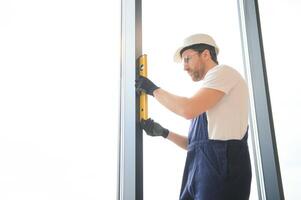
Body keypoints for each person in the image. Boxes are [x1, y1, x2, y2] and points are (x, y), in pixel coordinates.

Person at [136, 33, 252, 200]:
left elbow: (187, 109)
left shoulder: (223, 73)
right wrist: (164, 132)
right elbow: (195, 145)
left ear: (205, 54)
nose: (184, 66)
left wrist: (152, 89)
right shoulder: (209, 93)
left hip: (221, 168)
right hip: (198, 168)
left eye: (187, 59)